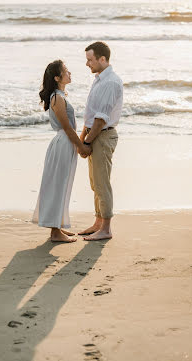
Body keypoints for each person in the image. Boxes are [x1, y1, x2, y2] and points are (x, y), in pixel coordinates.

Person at [32, 60, 91, 243]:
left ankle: (58, 227)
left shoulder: (59, 96)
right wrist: (81, 146)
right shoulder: (57, 98)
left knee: (62, 185)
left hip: (65, 143)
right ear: (57, 77)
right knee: (58, 185)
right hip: (64, 143)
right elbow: (67, 127)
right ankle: (55, 232)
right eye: (65, 71)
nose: (69, 73)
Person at [78, 41, 123, 241]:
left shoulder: (110, 82)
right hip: (94, 134)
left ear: (102, 59)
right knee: (95, 182)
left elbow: (101, 118)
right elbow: (90, 115)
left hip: (102, 136)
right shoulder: (99, 79)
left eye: (90, 60)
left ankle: (106, 228)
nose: (87, 64)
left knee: (102, 183)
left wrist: (87, 142)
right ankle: (98, 223)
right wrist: (83, 139)